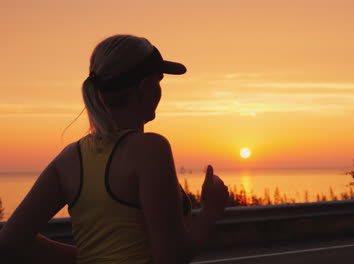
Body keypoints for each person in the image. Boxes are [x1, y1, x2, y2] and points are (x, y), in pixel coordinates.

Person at [0, 34, 230, 264]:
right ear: (144, 86)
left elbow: (10, 241)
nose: (161, 91)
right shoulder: (150, 149)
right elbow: (171, 257)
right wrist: (210, 212)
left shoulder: (69, 158)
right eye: (159, 80)